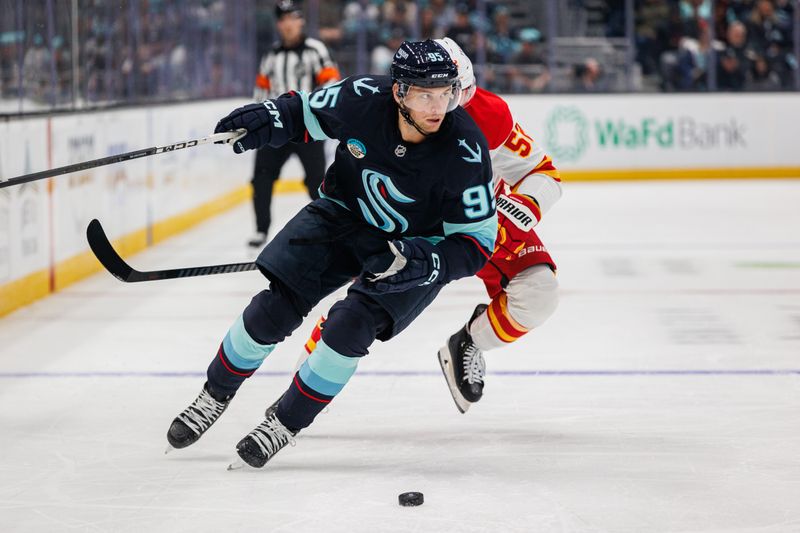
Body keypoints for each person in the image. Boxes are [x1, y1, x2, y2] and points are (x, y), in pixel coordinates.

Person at [165, 39, 496, 468]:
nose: (437, 106)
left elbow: (476, 243)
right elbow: (302, 113)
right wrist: (269, 116)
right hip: (341, 214)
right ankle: (214, 395)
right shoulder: (361, 97)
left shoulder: (465, 149)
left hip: (412, 250)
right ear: (398, 92)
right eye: (423, 94)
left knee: (350, 327)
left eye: (445, 93)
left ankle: (284, 424)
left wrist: (430, 263)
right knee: (274, 308)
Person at [295, 38, 562, 414]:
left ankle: (469, 342)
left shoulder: (489, 114)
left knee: (540, 293)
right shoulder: (380, 112)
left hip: (479, 222)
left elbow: (541, 172)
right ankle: (309, 375)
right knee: (361, 307)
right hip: (415, 226)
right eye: (428, 94)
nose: (441, 109)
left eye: (455, 94)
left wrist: (517, 208)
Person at [247, 0, 341, 247]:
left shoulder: (315, 50)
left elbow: (331, 85)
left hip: (308, 127)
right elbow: (261, 92)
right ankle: (261, 229)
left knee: (317, 182)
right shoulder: (271, 56)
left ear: (301, 21)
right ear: (278, 24)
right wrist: (258, 122)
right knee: (262, 178)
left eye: (292, 18)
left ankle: (329, 228)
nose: (288, 24)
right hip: (275, 129)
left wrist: (314, 112)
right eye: (283, 20)